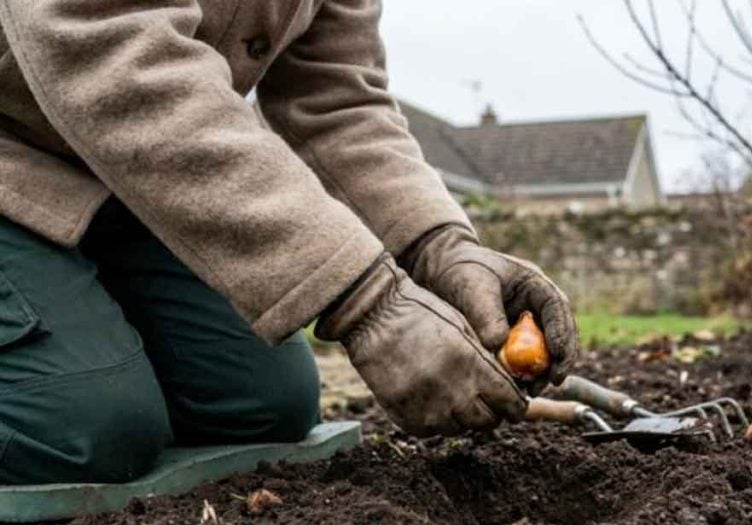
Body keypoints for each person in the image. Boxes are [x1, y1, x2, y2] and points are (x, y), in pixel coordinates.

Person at [0, 0, 578, 485]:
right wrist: (366, 299)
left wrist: (439, 246)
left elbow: (336, 99)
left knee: (263, 405)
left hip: (118, 179)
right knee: (82, 428)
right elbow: (107, 45)